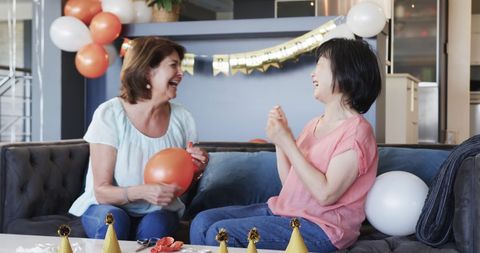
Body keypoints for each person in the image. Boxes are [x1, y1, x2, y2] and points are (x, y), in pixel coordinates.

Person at [189, 38, 381, 252]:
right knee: (202, 221)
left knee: (220, 232)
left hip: (322, 228)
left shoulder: (357, 132)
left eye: (320, 65)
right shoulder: (313, 124)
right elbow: (289, 183)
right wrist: (280, 142)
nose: (312, 74)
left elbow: (326, 194)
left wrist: (287, 142)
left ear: (346, 72)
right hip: (285, 211)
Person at [69, 36, 209, 241]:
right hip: (107, 206)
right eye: (173, 65)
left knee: (157, 225)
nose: (181, 73)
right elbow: (101, 191)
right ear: (146, 71)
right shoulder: (110, 113)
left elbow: (180, 181)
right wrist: (142, 192)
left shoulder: (183, 117)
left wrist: (196, 169)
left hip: (159, 210)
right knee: (114, 221)